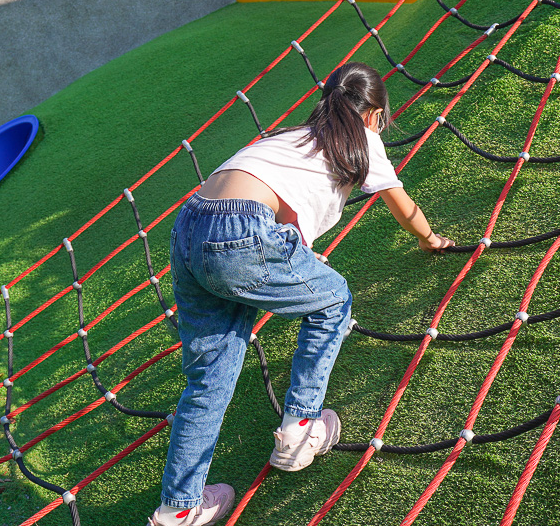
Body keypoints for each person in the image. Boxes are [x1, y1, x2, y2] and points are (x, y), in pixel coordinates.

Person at [150, 62, 454, 526]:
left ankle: (177, 509)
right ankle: (301, 427)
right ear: (373, 114)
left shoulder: (289, 137)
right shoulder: (363, 138)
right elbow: (401, 204)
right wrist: (430, 239)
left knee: (208, 380)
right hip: (242, 234)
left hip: (189, 227)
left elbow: (275, 200)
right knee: (333, 301)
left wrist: (297, 256)